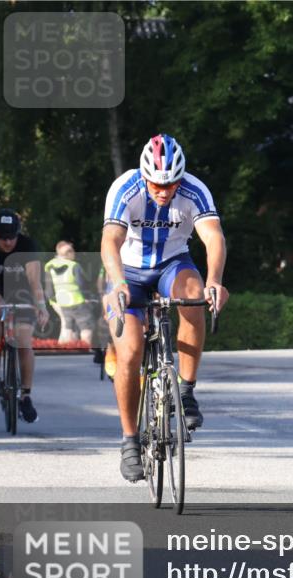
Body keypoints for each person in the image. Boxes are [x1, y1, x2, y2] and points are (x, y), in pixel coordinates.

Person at [101, 133, 228, 482]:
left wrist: (214, 280)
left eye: (170, 183)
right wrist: (118, 283)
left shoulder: (194, 190)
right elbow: (109, 241)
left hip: (173, 263)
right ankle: (129, 441)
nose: (163, 190)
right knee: (128, 352)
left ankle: (186, 390)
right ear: (144, 176)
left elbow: (213, 237)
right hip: (126, 271)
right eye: (156, 184)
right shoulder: (125, 188)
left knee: (194, 291)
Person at [0, 208, 50, 423]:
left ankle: (26, 395)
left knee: (25, 342)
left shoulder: (27, 245)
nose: (8, 242)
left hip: (21, 287)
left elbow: (35, 281)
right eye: (2, 237)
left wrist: (41, 306)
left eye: (12, 237)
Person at [44, 241, 94, 345]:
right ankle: (86, 350)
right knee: (86, 327)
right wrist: (87, 298)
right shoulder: (74, 265)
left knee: (68, 327)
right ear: (68, 253)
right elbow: (82, 284)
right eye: (72, 251)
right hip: (78, 301)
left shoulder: (49, 266)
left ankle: (67, 351)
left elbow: (48, 289)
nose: (74, 253)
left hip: (61, 302)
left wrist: (53, 301)